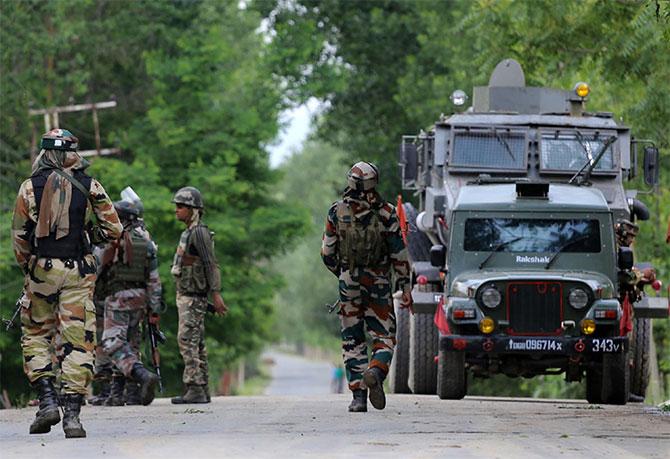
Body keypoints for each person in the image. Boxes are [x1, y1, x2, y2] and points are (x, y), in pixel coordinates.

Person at [12, 128, 122, 438]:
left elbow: (20, 237)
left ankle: (47, 401)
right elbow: (114, 230)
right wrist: (88, 237)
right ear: (72, 152)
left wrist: (30, 269)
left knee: (35, 333)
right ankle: (72, 416)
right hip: (78, 272)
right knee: (79, 340)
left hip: (42, 271)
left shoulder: (28, 188)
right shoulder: (90, 185)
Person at [321, 161, 412, 412]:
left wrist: (344, 274)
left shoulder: (336, 212)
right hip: (380, 282)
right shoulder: (386, 212)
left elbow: (327, 253)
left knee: (352, 339)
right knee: (384, 336)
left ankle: (358, 398)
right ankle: (375, 371)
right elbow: (399, 254)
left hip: (348, 283)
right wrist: (405, 287)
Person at [97, 193, 162, 406]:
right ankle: (127, 395)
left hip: (118, 298)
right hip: (140, 300)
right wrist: (154, 308)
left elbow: (98, 270)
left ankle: (142, 375)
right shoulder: (147, 243)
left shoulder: (114, 242)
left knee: (112, 342)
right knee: (131, 346)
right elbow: (154, 279)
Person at [170, 186, 227, 404]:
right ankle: (201, 388)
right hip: (188, 294)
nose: (177, 210)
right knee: (196, 341)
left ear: (194, 209)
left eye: (181, 206)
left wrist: (216, 295)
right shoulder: (189, 232)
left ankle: (195, 387)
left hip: (193, 297)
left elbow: (211, 264)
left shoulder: (199, 233)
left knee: (187, 340)